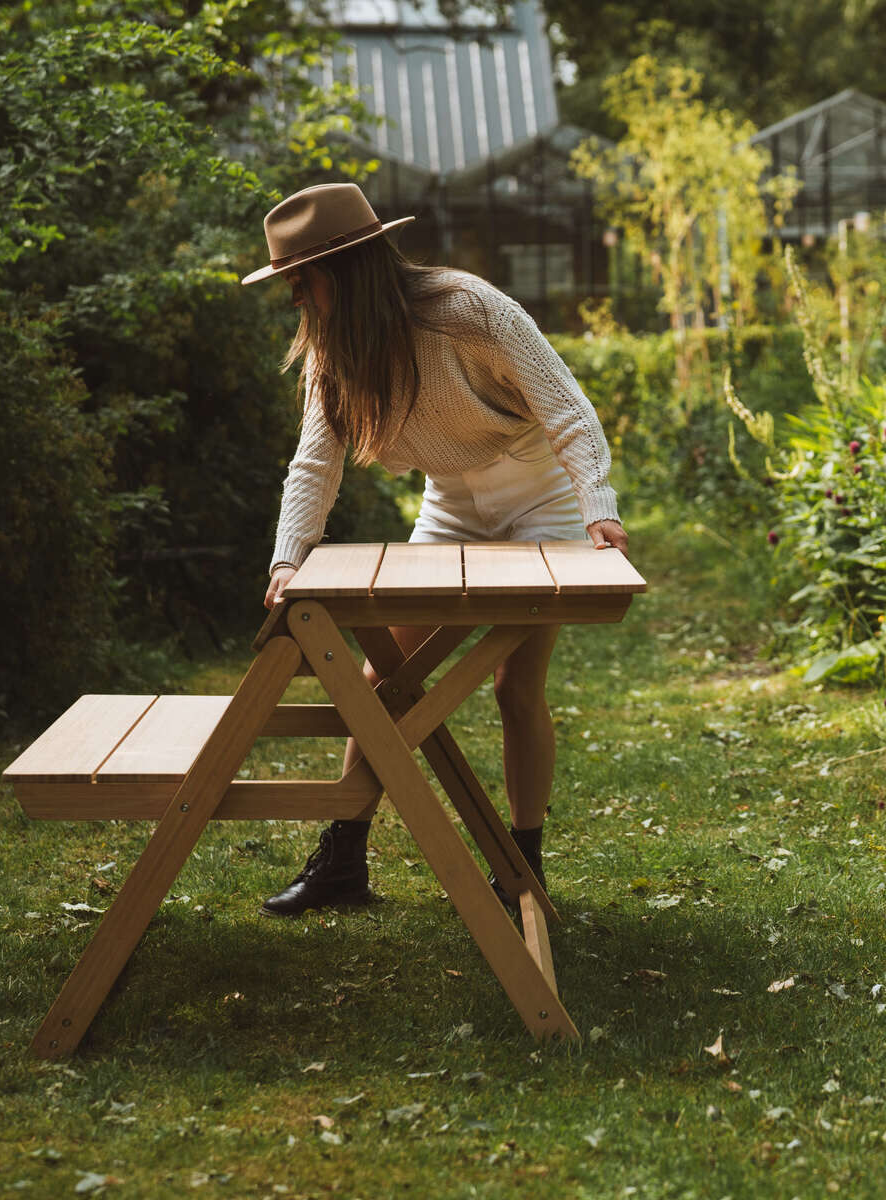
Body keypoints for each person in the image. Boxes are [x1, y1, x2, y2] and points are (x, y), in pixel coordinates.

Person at [241, 182, 627, 917]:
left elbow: (568, 408)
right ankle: (343, 863)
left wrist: (596, 508)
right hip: (450, 502)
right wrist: (288, 558)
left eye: (300, 280)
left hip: (539, 495)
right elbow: (314, 464)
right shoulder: (334, 351)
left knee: (515, 684)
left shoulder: (470, 310)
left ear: (343, 270)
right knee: (381, 680)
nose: (295, 298)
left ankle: (522, 869)